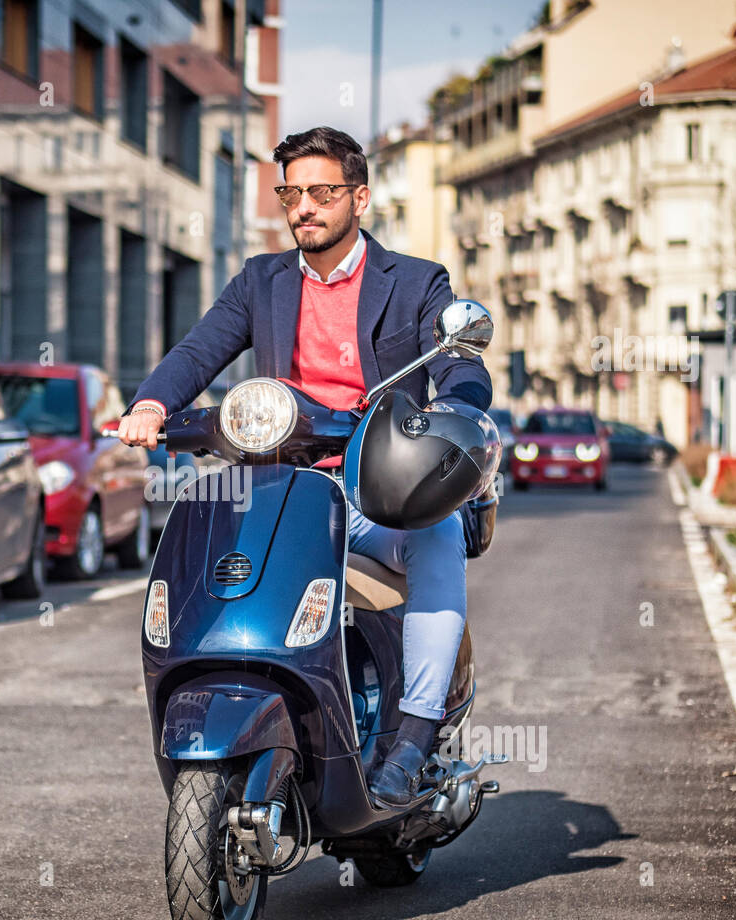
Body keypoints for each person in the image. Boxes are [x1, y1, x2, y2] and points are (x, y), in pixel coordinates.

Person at [116, 127, 493, 808]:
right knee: (211, 556)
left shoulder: (414, 281)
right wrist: (151, 402)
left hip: (377, 489)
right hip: (283, 487)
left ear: (360, 197)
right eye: (291, 192)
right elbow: (200, 351)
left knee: (436, 538)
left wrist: (455, 410)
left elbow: (459, 364)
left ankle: (412, 734)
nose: (304, 207)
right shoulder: (260, 281)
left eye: (322, 192)